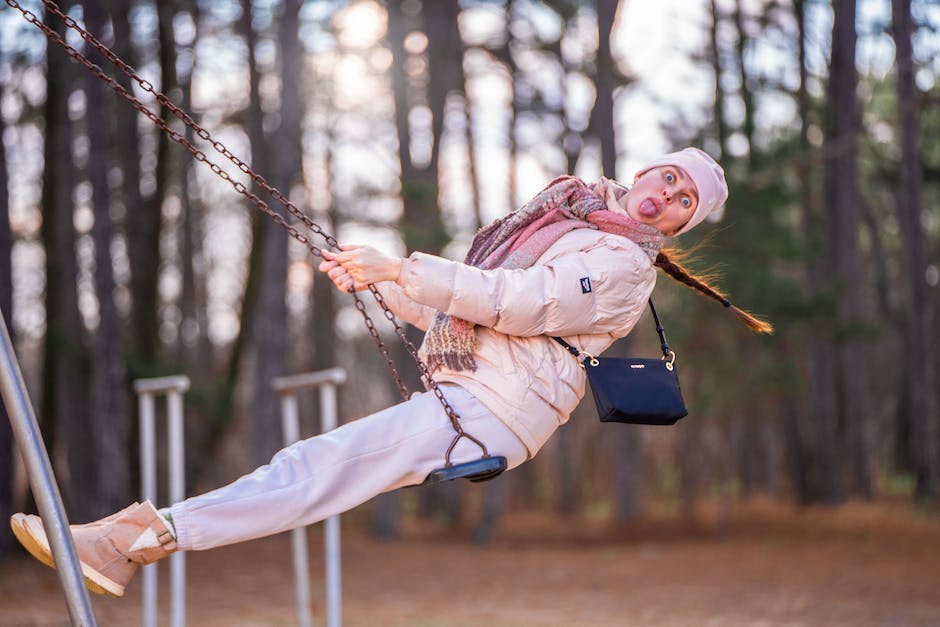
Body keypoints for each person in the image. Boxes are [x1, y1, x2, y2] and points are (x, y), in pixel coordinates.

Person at [11, 147, 770, 597]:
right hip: (474, 390)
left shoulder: (621, 266)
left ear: (677, 225)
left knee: (316, 464)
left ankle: (134, 539)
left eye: (682, 202)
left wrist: (400, 265)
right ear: (648, 169)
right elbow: (461, 319)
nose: (667, 195)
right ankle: (131, 539)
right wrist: (384, 283)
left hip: (496, 414)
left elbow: (517, 303)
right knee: (314, 465)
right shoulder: (571, 216)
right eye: (671, 178)